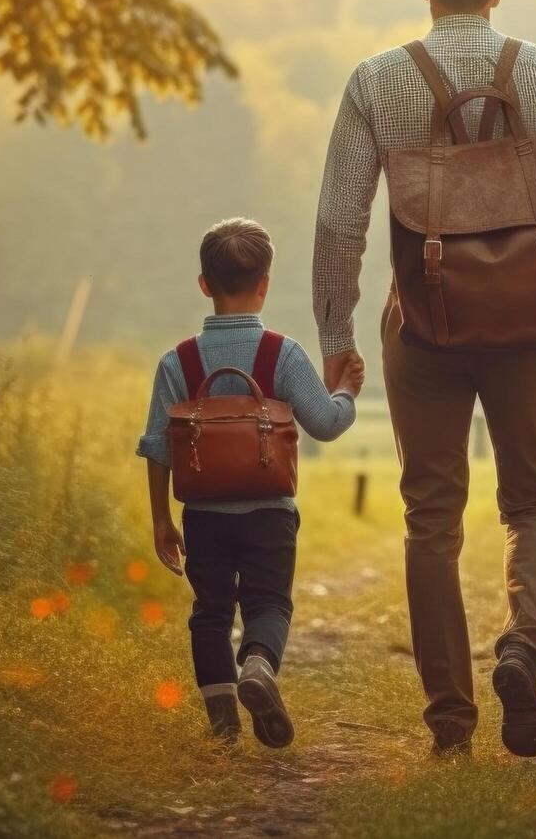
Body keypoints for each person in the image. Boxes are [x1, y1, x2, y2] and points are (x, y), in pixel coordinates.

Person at [310, 0, 536, 758]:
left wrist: (336, 333)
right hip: (534, 323)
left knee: (431, 519)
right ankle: (522, 647)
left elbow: (340, 222)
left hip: (422, 325)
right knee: (534, 503)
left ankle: (450, 721)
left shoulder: (377, 81)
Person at [136, 218, 363, 747]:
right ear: (265, 283)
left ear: (204, 284)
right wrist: (347, 391)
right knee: (269, 605)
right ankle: (259, 666)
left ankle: (222, 728)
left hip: (204, 516)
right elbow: (326, 425)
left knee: (210, 613)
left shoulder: (178, 361)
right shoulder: (281, 354)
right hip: (269, 514)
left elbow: (157, 445)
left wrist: (161, 520)